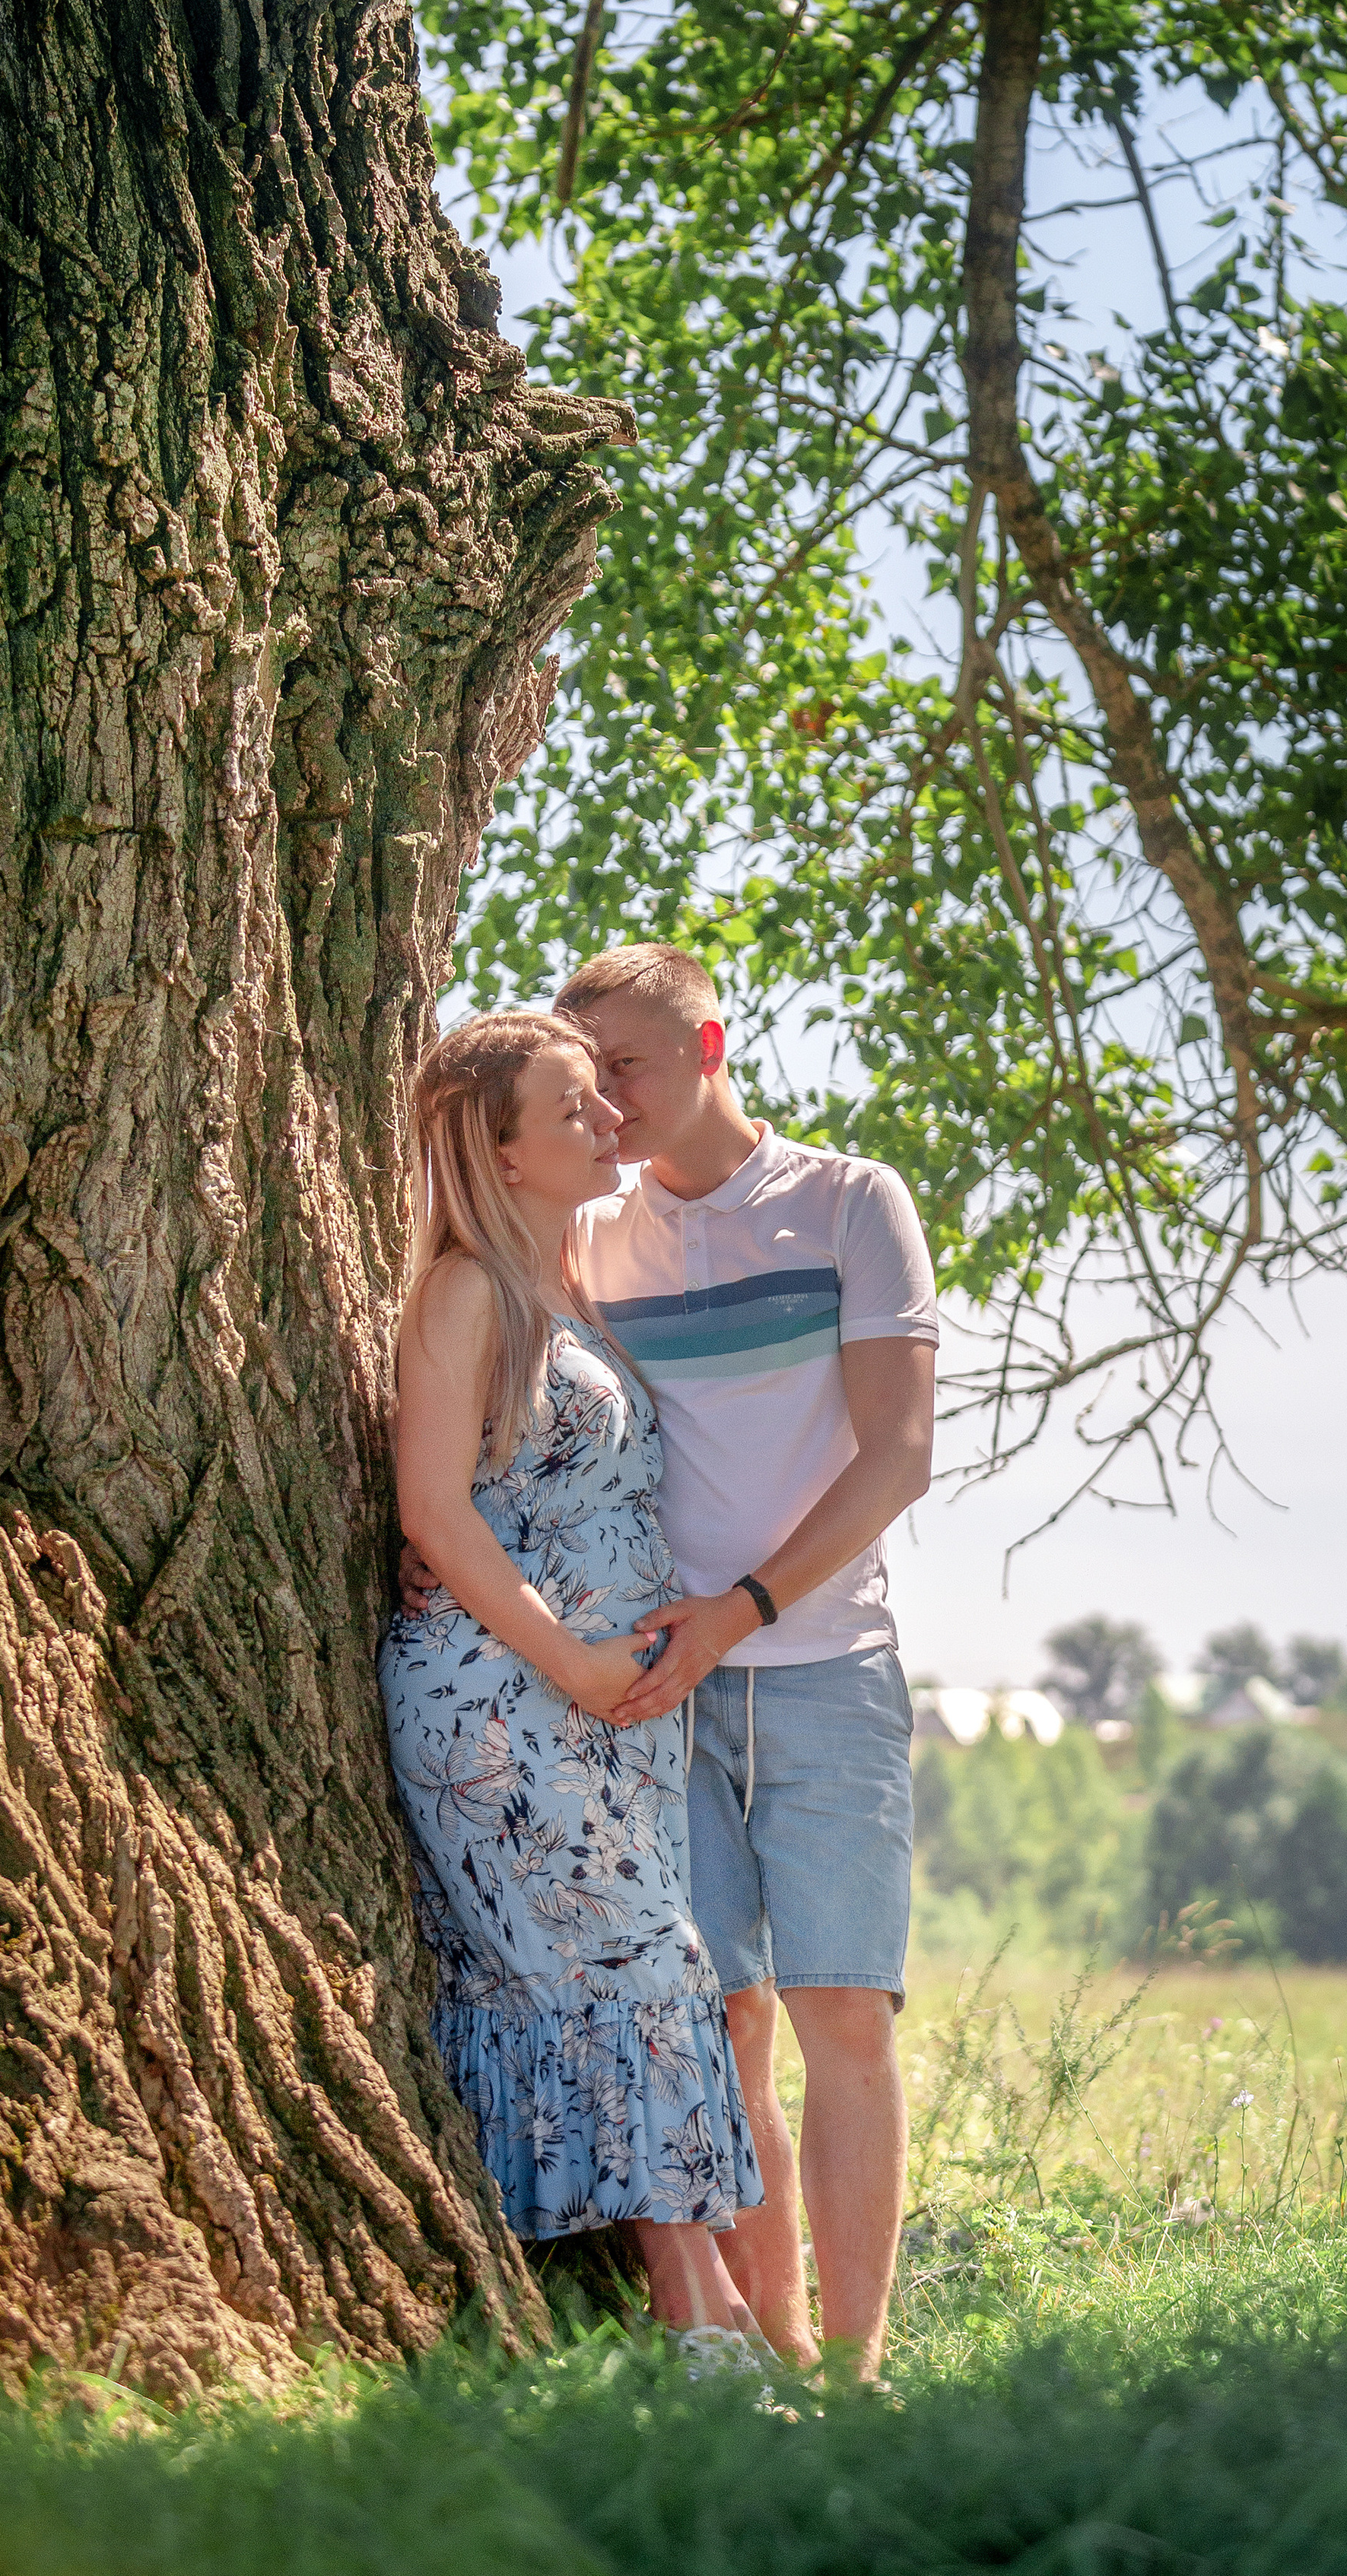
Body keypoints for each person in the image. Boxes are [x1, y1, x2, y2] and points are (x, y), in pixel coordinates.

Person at [545, 944, 939, 2373]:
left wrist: (744, 1608)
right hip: (659, 1685)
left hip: (828, 1665)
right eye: (590, 1079)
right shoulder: (595, 1239)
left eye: (633, 1067)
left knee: (843, 2006)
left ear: (710, 1042)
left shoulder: (849, 1202)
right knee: (721, 2014)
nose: (613, 1102)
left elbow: (899, 1454)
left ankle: (858, 2367)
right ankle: (768, 2349)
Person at [379, 1009, 767, 2360]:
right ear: (498, 1148)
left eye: (606, 1095)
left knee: (617, 1985)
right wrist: (580, 1662)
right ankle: (698, 2328)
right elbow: (437, 1511)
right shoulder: (465, 1287)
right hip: (507, 1704)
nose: (608, 1119)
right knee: (646, 1972)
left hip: (603, 1716)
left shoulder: (563, 1283)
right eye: (572, 1107)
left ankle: (694, 2320)